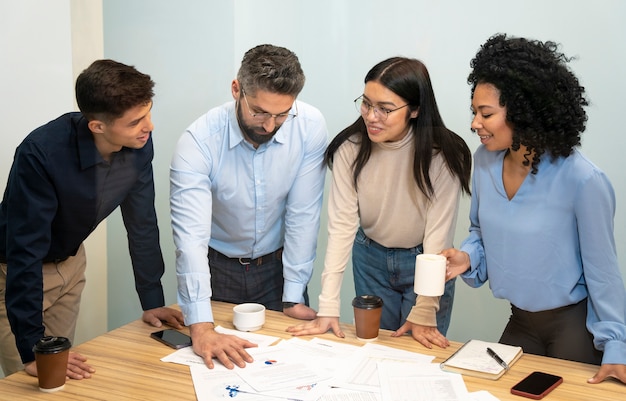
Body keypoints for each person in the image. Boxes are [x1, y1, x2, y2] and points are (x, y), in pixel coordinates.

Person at [442, 33, 626, 385]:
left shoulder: (583, 180)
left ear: (524, 112)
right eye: (474, 112)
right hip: (520, 322)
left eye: (486, 113)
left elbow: (604, 274)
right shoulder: (484, 162)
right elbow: (481, 232)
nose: (474, 123)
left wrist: (617, 347)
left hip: (573, 328)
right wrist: (468, 258)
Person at [0, 59, 184, 379]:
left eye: (148, 112)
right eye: (136, 121)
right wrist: (32, 349)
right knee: (35, 378)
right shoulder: (40, 154)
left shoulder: (138, 142)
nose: (149, 126)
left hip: (71, 264)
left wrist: (152, 300)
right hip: (17, 273)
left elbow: (141, 222)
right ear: (97, 126)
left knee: (63, 379)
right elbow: (25, 251)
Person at [287, 57, 471, 349]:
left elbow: (439, 235)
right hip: (370, 259)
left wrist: (425, 307)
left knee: (416, 353)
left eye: (385, 109)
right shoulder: (350, 148)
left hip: (425, 262)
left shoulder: (442, 154)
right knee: (375, 350)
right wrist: (328, 306)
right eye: (366, 103)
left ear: (415, 110)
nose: (372, 116)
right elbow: (342, 227)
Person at [170, 44, 328, 369]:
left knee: (293, 369)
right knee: (217, 367)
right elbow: (191, 239)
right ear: (236, 90)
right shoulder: (198, 142)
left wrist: (294, 294)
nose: (270, 125)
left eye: (282, 114)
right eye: (259, 112)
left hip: (278, 269)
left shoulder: (309, 126)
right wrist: (200, 326)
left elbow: (303, 214)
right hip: (218, 269)